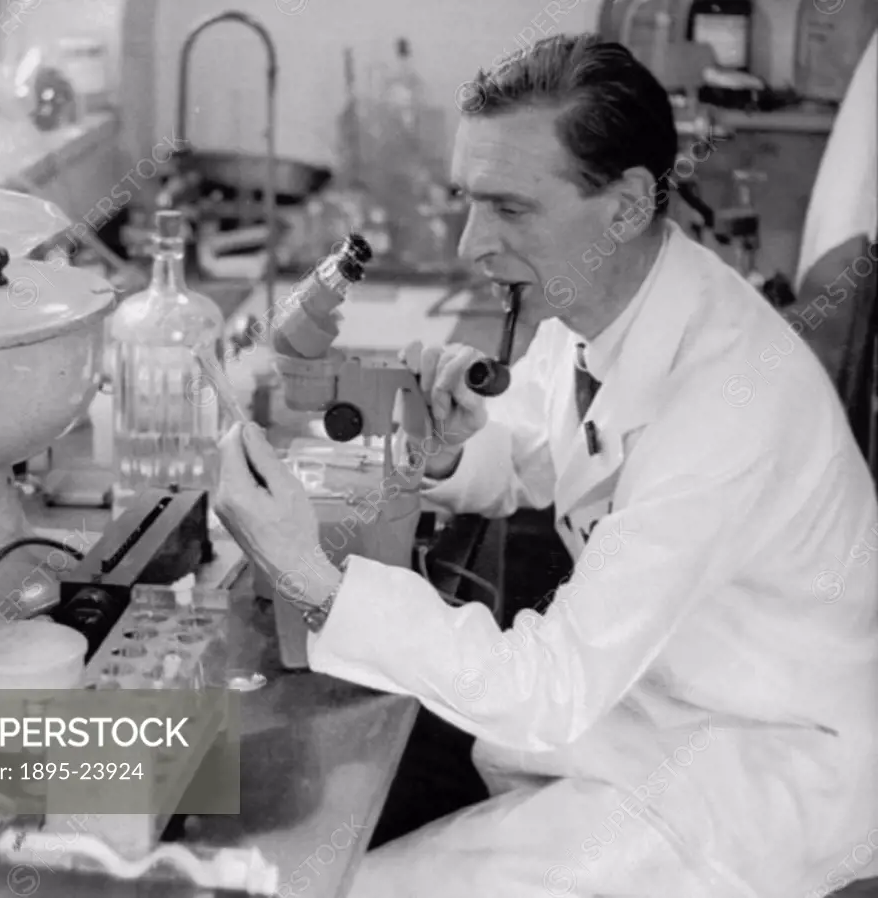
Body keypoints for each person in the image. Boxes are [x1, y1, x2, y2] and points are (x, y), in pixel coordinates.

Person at [215, 33, 878, 898]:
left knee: (340, 887)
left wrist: (310, 573)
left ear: (628, 204)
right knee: (295, 830)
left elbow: (552, 687)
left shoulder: (725, 404)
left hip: (750, 771)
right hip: (641, 715)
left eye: (510, 209)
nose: (468, 243)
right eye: (466, 200)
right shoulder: (602, 300)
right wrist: (446, 448)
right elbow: (533, 447)